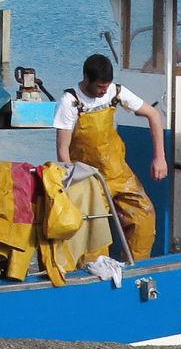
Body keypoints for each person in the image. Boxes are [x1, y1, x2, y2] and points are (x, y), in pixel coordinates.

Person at [52, 53, 166, 260]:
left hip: (118, 173)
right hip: (88, 178)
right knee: (94, 229)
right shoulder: (70, 102)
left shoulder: (116, 92)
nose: (103, 91)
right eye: (99, 87)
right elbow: (63, 150)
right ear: (86, 79)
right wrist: (70, 187)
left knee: (145, 215)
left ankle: (135, 268)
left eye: (106, 87)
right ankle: (95, 273)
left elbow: (154, 115)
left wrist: (159, 157)